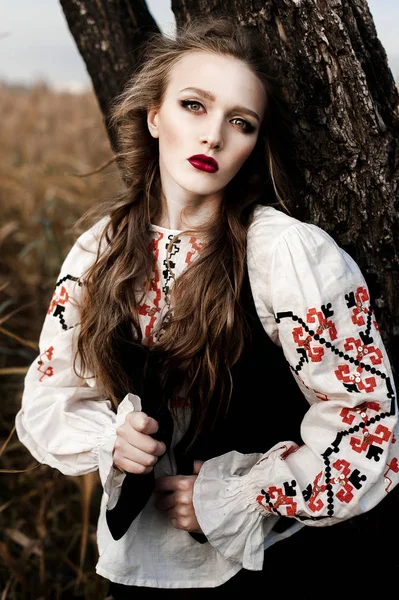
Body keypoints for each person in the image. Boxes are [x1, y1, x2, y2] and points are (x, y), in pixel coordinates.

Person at [15, 15, 399, 598]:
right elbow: (51, 394)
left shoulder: (284, 253)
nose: (214, 136)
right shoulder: (100, 249)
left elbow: (368, 417)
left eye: (239, 122)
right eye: (194, 105)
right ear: (153, 116)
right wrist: (110, 440)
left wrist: (243, 492)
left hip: (267, 564)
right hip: (135, 568)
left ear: (253, 144)